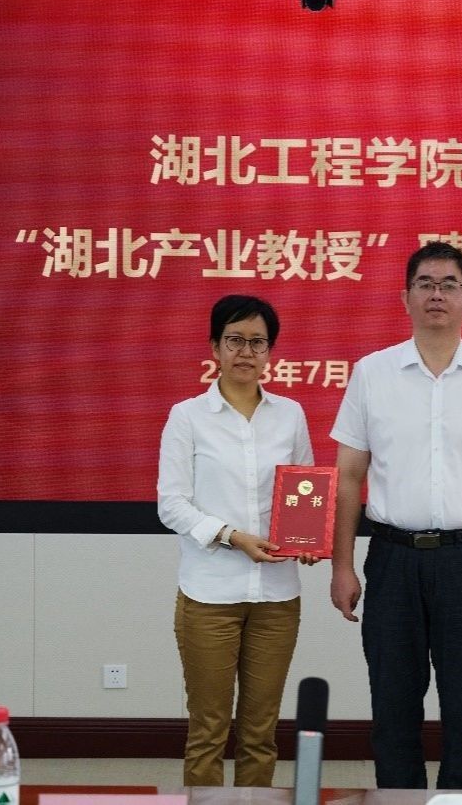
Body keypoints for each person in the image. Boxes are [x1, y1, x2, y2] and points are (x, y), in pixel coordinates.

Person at [329, 242, 462, 790]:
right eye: (425, 284)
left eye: (450, 285)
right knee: (392, 704)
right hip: (392, 559)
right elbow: (348, 478)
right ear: (405, 298)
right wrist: (342, 566)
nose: (437, 295)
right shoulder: (372, 373)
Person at [158, 294, 318, 787]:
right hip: (209, 594)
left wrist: (309, 537)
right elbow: (172, 504)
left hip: (277, 597)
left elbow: (306, 490)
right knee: (208, 730)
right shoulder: (188, 416)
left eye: (257, 342)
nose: (246, 352)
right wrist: (231, 536)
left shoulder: (290, 415)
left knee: (260, 733)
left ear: (270, 351)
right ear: (214, 347)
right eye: (234, 340)